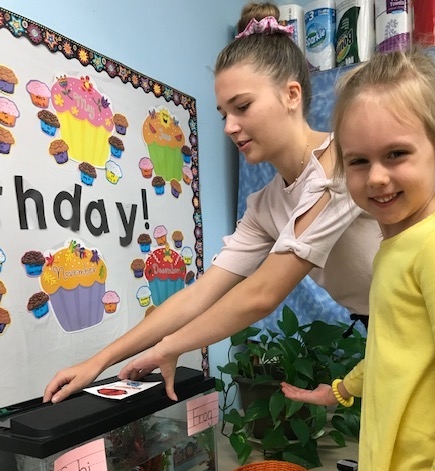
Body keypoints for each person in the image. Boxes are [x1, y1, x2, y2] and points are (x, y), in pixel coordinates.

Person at [44, 3, 380, 404]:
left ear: (292, 94)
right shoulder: (265, 206)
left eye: (242, 107)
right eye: (223, 114)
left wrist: (169, 347)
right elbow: (199, 295)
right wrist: (97, 362)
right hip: (385, 324)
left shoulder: (343, 163)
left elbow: (262, 294)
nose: (230, 127)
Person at [281, 48, 435, 471]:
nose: (376, 178)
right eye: (358, 161)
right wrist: (341, 390)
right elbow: (397, 350)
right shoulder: (398, 246)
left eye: (396, 154)